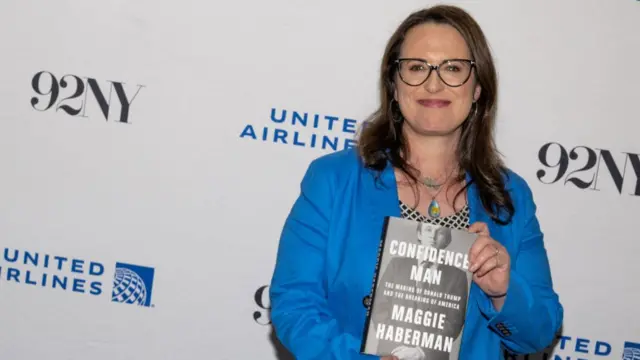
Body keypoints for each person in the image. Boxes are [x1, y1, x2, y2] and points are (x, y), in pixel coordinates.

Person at [269, 4, 563, 360]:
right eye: (417, 67)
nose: (433, 82)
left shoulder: (510, 195)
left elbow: (539, 332)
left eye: (453, 68)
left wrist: (503, 290)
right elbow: (294, 306)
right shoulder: (333, 180)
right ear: (394, 85)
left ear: (478, 88)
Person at [371, 224, 468, 360]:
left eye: (440, 232)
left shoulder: (458, 276)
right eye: (428, 230)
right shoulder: (396, 265)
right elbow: (379, 309)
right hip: (392, 353)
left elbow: (453, 323)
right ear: (419, 235)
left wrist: (422, 352)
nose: (432, 236)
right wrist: (398, 349)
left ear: (447, 240)